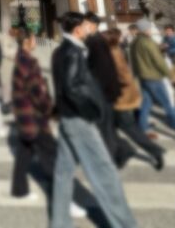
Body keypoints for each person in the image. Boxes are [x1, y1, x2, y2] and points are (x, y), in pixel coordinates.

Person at [50, 12, 137, 228]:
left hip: (68, 116)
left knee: (63, 171)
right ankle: (124, 224)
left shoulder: (62, 50)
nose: (88, 29)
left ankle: (60, 222)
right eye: (85, 26)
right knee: (104, 172)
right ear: (77, 29)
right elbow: (72, 87)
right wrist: (91, 110)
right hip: (79, 118)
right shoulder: (73, 52)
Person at [130, 18, 175, 142]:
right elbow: (158, 61)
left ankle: (143, 129)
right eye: (149, 27)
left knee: (146, 104)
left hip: (143, 76)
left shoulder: (135, 42)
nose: (150, 30)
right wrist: (169, 74)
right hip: (154, 77)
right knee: (168, 105)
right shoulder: (148, 42)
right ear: (146, 29)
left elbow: (133, 61)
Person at [106, 27, 165, 171]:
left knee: (129, 129)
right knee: (109, 130)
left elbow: (124, 78)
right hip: (116, 99)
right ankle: (124, 151)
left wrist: (109, 85)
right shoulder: (112, 52)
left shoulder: (113, 54)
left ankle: (153, 150)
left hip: (120, 100)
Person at [10, 28, 56, 201]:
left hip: (24, 114)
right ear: (26, 42)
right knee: (52, 153)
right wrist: (49, 108)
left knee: (24, 152)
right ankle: (62, 196)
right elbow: (37, 91)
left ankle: (19, 190)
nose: (36, 41)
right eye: (33, 39)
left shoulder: (20, 58)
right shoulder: (29, 61)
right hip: (33, 116)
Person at [84, 14, 131, 168]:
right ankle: (121, 150)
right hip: (103, 91)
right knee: (105, 127)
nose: (82, 27)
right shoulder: (93, 41)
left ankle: (112, 158)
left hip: (103, 92)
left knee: (105, 128)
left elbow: (104, 70)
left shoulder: (96, 42)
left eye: (85, 24)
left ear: (93, 25)